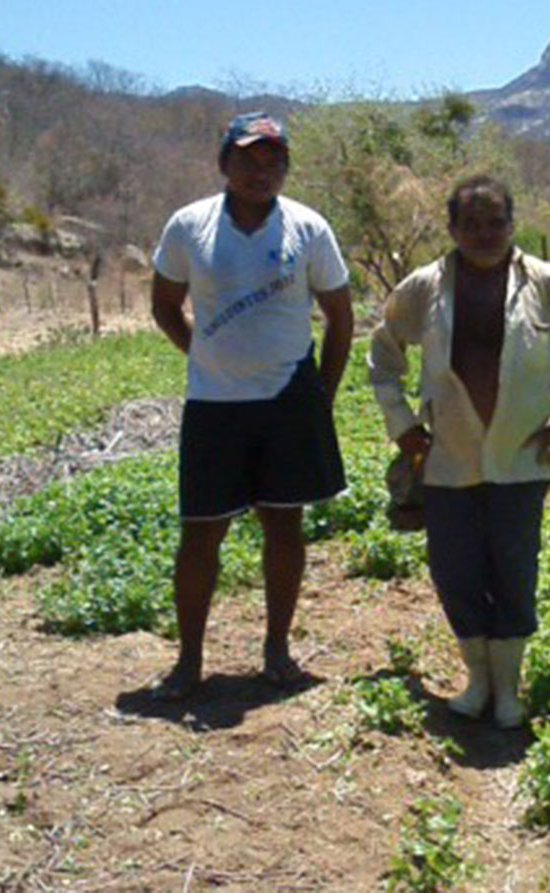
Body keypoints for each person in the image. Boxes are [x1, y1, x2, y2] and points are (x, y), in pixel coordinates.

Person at [368, 175, 550, 728]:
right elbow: (383, 357)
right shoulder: (423, 289)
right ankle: (476, 681)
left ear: (513, 225)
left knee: (513, 569)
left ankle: (508, 689)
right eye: (471, 224)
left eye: (495, 222)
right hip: (446, 461)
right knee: (454, 569)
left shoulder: (546, 283)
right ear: (452, 228)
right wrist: (403, 425)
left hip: (521, 461)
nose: (484, 233)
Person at [149, 111, 353, 699]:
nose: (262, 171)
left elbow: (340, 317)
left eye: (274, 161)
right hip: (214, 404)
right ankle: (189, 661)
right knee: (200, 532)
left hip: (288, 400)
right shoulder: (189, 227)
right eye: (248, 158)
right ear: (224, 164)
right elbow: (164, 304)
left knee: (284, 525)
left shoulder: (309, 229)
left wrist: (321, 395)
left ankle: (277, 648)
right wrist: (202, 354)